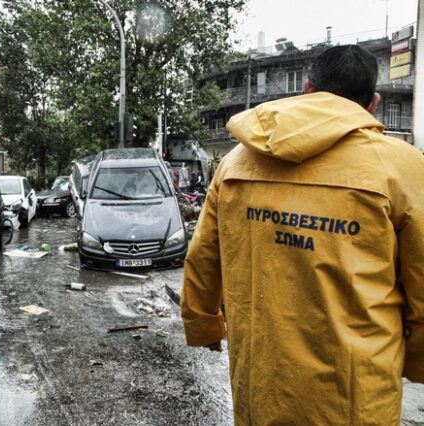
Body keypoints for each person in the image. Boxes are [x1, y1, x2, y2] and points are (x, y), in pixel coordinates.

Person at [180, 44, 424, 425]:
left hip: (261, 388)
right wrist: (416, 360)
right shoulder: (401, 166)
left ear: (307, 89)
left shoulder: (235, 162)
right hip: (356, 398)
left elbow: (204, 256)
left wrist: (203, 323)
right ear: (372, 103)